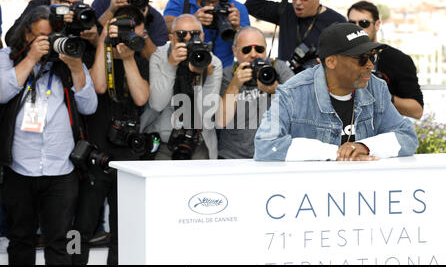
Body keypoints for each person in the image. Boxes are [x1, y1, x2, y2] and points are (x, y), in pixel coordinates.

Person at [0, 6, 98, 265]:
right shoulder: (7, 57)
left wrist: (77, 68)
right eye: (41, 36)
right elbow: (1, 92)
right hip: (19, 169)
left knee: (60, 243)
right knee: (20, 240)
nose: (49, 42)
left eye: (53, 35)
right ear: (26, 34)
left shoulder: (67, 62)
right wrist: (31, 58)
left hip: (61, 170)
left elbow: (89, 107)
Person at [254, 22, 418, 162]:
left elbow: (407, 137)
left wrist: (364, 147)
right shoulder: (293, 93)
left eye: (372, 57)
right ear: (331, 61)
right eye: (361, 59)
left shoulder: (377, 88)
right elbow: (265, 144)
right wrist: (336, 153)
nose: (370, 65)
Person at [71, 5, 150, 265]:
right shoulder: (94, 54)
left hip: (127, 158)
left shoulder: (139, 61)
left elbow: (141, 97)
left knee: (122, 231)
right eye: (122, 30)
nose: (127, 37)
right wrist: (104, 42)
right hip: (95, 154)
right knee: (81, 228)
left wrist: (127, 58)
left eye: (133, 31)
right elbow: (99, 87)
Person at [141, 14, 222, 160]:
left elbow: (207, 113)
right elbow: (157, 104)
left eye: (195, 34)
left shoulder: (212, 61)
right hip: (163, 139)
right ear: (171, 38)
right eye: (182, 34)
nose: (188, 39)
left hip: (198, 139)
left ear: (202, 37)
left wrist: (206, 75)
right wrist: (171, 65)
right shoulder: (159, 56)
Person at [245, 0, 346, 70]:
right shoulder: (286, 11)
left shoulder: (337, 22)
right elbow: (252, 5)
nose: (297, 2)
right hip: (284, 81)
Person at [216, 26, 293, 159]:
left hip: (274, 155)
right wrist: (234, 85)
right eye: (246, 50)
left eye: (259, 49)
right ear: (235, 51)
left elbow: (301, 106)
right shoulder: (228, 74)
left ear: (266, 49)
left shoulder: (278, 68)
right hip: (233, 157)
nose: (253, 54)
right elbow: (220, 121)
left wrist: (275, 90)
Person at [347, 0, 424, 119]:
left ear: (377, 25)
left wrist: (384, 96)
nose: (357, 29)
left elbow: (416, 111)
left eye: (364, 23)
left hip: (382, 131)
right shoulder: (339, 57)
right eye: (352, 23)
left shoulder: (398, 60)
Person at [163, 0, 250, 68]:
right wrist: (192, 20)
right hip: (184, 68)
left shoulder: (237, 9)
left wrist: (237, 28)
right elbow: (162, 30)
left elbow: (250, 49)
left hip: (222, 75)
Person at [92, 0, 168, 60]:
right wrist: (111, 10)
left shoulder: (154, 16)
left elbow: (156, 60)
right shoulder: (103, 3)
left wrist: (141, 27)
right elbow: (91, 37)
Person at [5, 0, 98, 49]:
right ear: (53, 0)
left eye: (76, 3)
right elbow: (10, 38)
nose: (71, 8)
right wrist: (52, 19)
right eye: (65, 2)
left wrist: (94, 40)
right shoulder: (38, 7)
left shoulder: (84, 14)